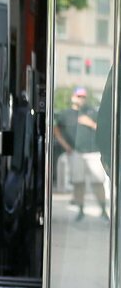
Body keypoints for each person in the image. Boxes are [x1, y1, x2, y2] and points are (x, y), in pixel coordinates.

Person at [53, 86, 108, 221]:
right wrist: (66, 146)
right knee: (78, 182)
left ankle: (103, 210)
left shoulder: (92, 112)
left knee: (98, 182)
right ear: (73, 97)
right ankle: (80, 210)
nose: (81, 99)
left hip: (93, 152)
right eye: (79, 96)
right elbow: (55, 129)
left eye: (83, 96)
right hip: (76, 152)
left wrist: (90, 123)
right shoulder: (65, 114)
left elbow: (104, 128)